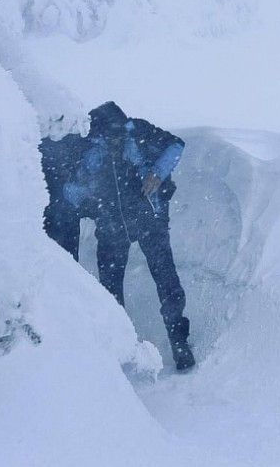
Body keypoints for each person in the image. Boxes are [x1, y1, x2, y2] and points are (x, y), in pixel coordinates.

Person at [64, 101, 195, 370]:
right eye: (110, 134)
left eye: (120, 132)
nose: (117, 138)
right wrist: (82, 192)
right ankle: (116, 354)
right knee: (109, 292)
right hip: (112, 226)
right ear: (99, 133)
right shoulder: (89, 146)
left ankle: (179, 342)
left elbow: (176, 145)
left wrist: (158, 173)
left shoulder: (138, 131)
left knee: (166, 279)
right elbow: (73, 189)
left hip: (150, 217)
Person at [39, 133, 93, 261]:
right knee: (52, 250)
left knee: (67, 252)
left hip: (67, 201)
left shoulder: (74, 129)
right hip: (51, 199)